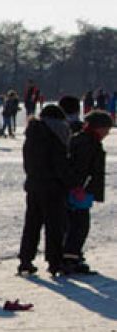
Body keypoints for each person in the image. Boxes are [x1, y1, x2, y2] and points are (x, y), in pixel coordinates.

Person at [17, 104, 78, 276]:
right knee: (55, 226)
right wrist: (71, 182)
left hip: (34, 184)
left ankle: (25, 260)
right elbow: (60, 164)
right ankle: (54, 262)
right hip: (53, 187)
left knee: (32, 224)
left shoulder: (32, 134)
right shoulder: (56, 134)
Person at [63, 109, 111, 274]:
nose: (107, 132)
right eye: (106, 129)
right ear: (98, 127)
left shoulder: (83, 139)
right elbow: (82, 168)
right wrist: (79, 187)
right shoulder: (88, 142)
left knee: (75, 224)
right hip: (80, 189)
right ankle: (71, 257)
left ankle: (72, 255)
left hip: (80, 188)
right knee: (79, 225)